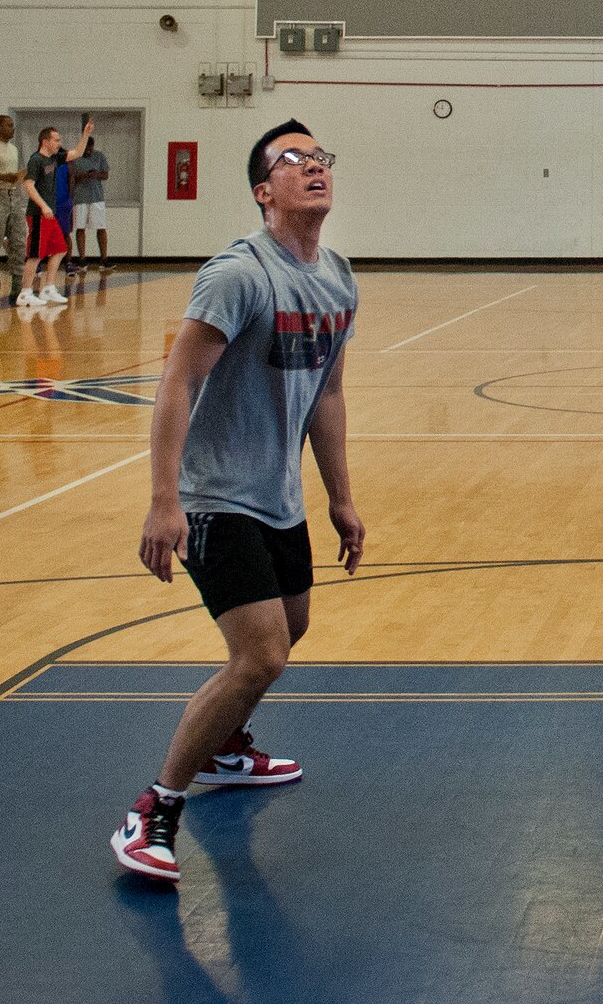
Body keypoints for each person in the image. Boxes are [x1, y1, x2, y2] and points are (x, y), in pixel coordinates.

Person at [110, 119, 364, 887]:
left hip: (277, 495)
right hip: (216, 495)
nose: (314, 167)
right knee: (261, 654)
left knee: (294, 623)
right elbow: (177, 382)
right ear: (265, 191)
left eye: (321, 156)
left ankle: (227, 746)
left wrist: (341, 498)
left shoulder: (339, 277)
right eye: (295, 160)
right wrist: (163, 502)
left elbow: (329, 394)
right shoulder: (238, 274)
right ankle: (153, 810)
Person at [17, 120, 93, 309]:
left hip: (50, 216)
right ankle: (25, 293)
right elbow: (28, 185)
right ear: (45, 141)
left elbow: (77, 153)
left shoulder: (54, 158)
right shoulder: (36, 160)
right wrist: (43, 206)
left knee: (60, 249)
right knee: (35, 254)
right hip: (37, 214)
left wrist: (85, 134)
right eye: (56, 140)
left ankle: (48, 288)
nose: (59, 143)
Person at [0, 114, 27, 304]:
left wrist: (14, 179)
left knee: (18, 242)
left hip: (13, 196)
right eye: (9, 125)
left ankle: (18, 290)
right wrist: (4, 177)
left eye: (13, 125)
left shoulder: (13, 149)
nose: (12, 128)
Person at [71, 120, 112, 271]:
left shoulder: (99, 156)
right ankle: (82, 260)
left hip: (96, 197)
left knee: (101, 227)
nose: (88, 150)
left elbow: (105, 175)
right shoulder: (75, 157)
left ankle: (104, 259)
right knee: (80, 227)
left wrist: (96, 174)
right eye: (86, 147)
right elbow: (72, 177)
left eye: (90, 147)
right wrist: (83, 176)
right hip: (80, 197)